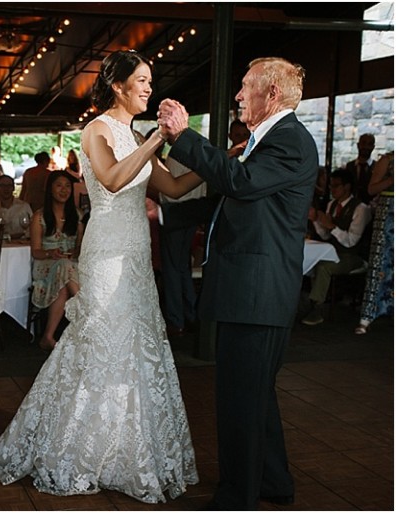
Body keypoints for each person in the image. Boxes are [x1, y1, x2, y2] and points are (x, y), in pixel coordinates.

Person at [0, 50, 201, 502]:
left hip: (137, 258)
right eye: (141, 80)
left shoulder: (139, 134)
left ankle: (125, 451)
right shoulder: (97, 130)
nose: (148, 87)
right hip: (105, 255)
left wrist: (224, 163)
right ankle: (78, 451)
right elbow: (112, 178)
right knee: (101, 344)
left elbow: (177, 188)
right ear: (119, 86)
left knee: (136, 348)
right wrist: (154, 139)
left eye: (150, 80)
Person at [158, 56, 318, 510]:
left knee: (239, 406)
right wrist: (164, 212)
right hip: (250, 293)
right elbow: (235, 203)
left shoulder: (288, 142)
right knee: (255, 401)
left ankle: (236, 498)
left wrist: (184, 136)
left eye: (246, 86)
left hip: (257, 295)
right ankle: (272, 484)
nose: (238, 95)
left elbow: (240, 183)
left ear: (271, 94)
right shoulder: (266, 141)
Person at [302, 168, 372, 326]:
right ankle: (311, 303)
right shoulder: (331, 205)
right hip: (333, 251)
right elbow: (326, 236)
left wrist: (332, 226)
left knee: (324, 267)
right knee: (314, 262)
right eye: (330, 186)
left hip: (352, 256)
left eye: (335, 186)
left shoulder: (361, 208)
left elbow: (352, 241)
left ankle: (317, 308)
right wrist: (315, 220)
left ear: (347, 187)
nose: (331, 190)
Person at [29, 170, 83, 350]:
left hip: (69, 267)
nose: (64, 190)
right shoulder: (39, 216)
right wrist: (51, 253)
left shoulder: (77, 216)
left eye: (67, 186)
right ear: (50, 189)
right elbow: (36, 251)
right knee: (64, 267)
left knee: (63, 283)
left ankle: (47, 337)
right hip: (46, 266)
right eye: (59, 185)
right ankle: (87, 308)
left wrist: (74, 253)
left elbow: (80, 248)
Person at [158, 155, 208, 337]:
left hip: (175, 214)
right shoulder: (196, 158)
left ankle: (176, 319)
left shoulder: (175, 158)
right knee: (182, 267)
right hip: (193, 213)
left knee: (172, 268)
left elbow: (169, 190)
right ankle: (190, 314)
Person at [354, 151, 394, 335]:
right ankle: (368, 316)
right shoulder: (388, 159)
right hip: (389, 216)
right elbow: (371, 189)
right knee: (381, 263)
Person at [0, 174, 32, 238]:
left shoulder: (24, 206)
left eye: (9, 185)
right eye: (3, 185)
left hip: (21, 244)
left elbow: (32, 228)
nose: (6, 189)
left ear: (13, 188)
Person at [345, 133, 376, 204]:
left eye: (369, 144)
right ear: (358, 145)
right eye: (364, 143)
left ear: (373, 147)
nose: (366, 147)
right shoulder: (349, 166)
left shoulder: (377, 167)